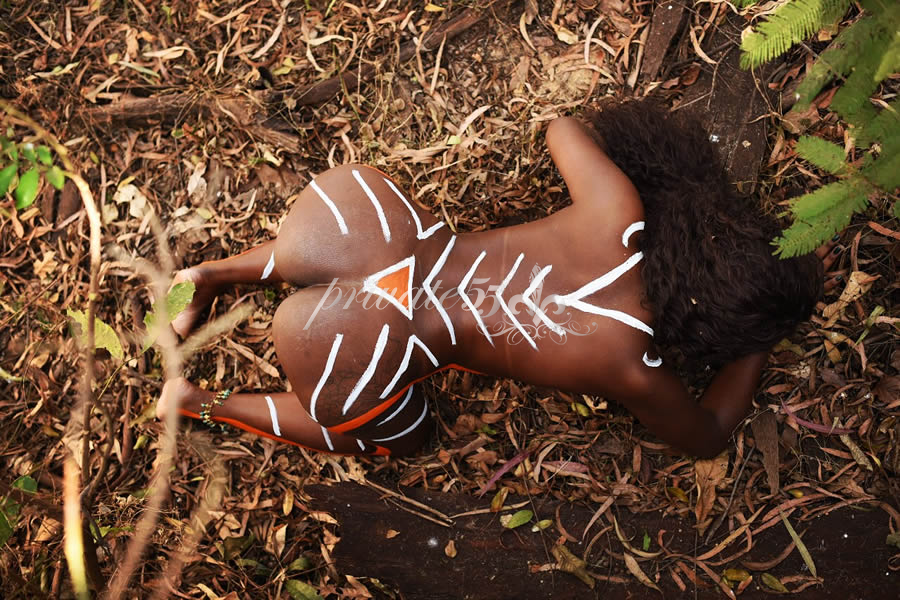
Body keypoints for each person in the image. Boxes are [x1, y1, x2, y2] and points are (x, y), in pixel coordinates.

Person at [156, 100, 840, 458]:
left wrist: (656, 184)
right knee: (402, 438)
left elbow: (560, 130)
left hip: (349, 214)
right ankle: (195, 401)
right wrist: (761, 339)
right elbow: (708, 434)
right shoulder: (635, 368)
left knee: (367, 250)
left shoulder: (617, 213)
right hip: (347, 343)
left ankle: (207, 274)